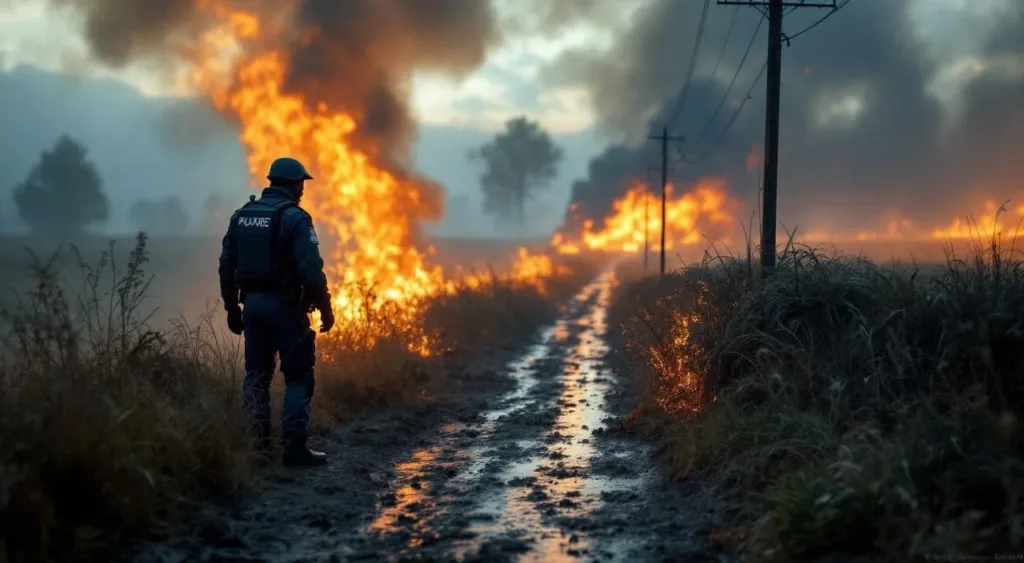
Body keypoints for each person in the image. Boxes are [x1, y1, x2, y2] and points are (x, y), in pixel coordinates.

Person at [218, 156, 336, 467]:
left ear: (271, 181)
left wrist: (232, 308)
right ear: (295, 184)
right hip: (285, 307)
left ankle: (258, 449)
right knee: (298, 376)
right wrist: (325, 307)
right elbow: (311, 269)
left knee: (256, 376)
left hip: (252, 307)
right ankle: (294, 449)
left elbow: (226, 266)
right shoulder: (296, 218)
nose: (302, 191)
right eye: (302, 185)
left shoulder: (241, 216)